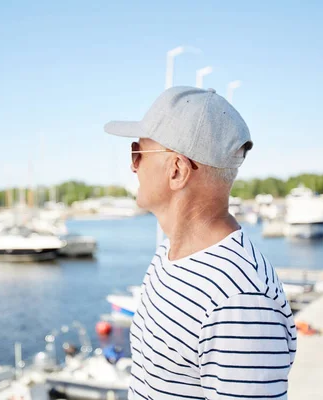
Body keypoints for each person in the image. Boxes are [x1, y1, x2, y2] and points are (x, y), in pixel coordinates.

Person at [104, 86, 297, 399]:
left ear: (177, 171)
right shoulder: (169, 254)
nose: (132, 165)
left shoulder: (240, 301)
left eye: (138, 152)